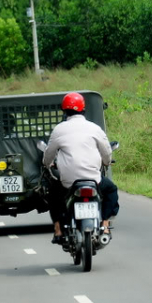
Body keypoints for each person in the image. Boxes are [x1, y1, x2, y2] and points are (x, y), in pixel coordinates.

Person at [42, 92, 119, 244]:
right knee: (111, 190)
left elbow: (48, 155)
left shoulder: (59, 130)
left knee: (54, 195)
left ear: (64, 111)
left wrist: (47, 163)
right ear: (83, 109)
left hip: (68, 182)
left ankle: (58, 229)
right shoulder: (94, 128)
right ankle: (104, 225)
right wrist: (106, 161)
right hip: (93, 179)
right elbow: (106, 152)